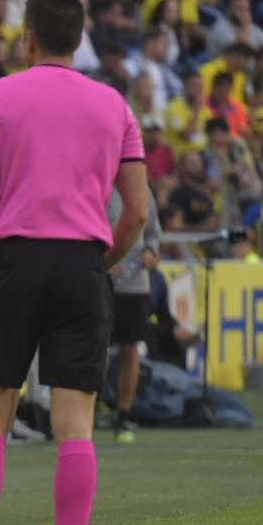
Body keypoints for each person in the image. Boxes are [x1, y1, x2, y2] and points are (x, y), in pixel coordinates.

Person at [0, 0, 149, 525]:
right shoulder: (114, 105)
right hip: (82, 263)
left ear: (27, 38)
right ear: (80, 39)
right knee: (76, 426)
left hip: (14, 261)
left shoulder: (0, 95)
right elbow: (136, 213)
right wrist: (101, 265)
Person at [106, 189, 161, 445]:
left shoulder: (141, 189)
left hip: (135, 282)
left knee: (130, 349)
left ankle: (123, 414)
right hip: (99, 279)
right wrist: (101, 258)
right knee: (92, 349)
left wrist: (150, 250)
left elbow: (152, 231)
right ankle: (88, 410)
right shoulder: (95, 181)